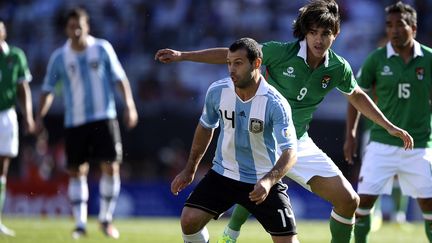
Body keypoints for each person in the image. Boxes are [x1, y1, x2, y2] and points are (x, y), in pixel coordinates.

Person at [155, 1, 414, 242]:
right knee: (237, 196)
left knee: (349, 200)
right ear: (304, 33)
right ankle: (231, 232)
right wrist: (182, 55)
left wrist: (389, 126)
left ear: (335, 34)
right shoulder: (281, 53)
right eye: (313, 32)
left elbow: (357, 95)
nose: (319, 39)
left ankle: (231, 231)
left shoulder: (338, 68)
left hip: (297, 143)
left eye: (326, 33)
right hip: (262, 142)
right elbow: (233, 55)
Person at [171, 37, 299, 243]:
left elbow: (291, 152)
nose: (231, 69)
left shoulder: (275, 103)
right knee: (189, 220)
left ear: (256, 63)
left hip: (262, 178)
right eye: (229, 63)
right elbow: (205, 127)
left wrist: (268, 181)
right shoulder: (217, 91)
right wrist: (190, 169)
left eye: (238, 63)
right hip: (224, 173)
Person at [35, 7, 138, 239]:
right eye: (72, 26)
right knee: (76, 171)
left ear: (87, 26)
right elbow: (48, 90)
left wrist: (130, 105)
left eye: (80, 24)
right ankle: (80, 224)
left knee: (111, 166)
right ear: (66, 29)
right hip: (75, 121)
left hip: (105, 116)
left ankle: (105, 219)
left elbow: (120, 78)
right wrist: (39, 117)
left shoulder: (102, 48)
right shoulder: (59, 58)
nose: (77, 29)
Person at [343, 1, 432, 242]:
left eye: (399, 24)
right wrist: (350, 134)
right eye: (389, 25)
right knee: (363, 204)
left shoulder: (429, 59)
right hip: (381, 144)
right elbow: (355, 97)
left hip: (421, 145)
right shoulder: (376, 59)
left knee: (429, 205)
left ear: (413, 27)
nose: (393, 30)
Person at [0, 19, 35, 237]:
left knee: (2, 170)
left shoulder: (15, 56)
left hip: (6, 115)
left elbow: (23, 88)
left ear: (4, 31)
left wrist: (28, 115)